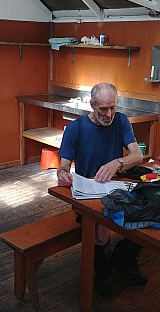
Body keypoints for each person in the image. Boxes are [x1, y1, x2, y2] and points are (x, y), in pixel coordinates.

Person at [57, 82, 147, 296]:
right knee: (103, 227)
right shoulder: (75, 128)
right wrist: (62, 174)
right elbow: (63, 165)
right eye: (103, 109)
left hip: (115, 187)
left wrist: (118, 162)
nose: (109, 114)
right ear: (92, 105)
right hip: (87, 194)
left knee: (145, 215)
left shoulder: (122, 121)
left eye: (113, 108)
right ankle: (104, 272)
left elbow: (138, 155)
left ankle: (123, 260)